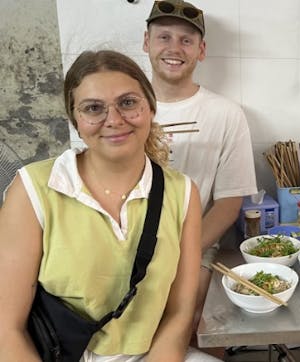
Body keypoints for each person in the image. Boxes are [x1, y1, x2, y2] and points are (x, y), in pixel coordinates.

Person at [0, 50, 219, 361]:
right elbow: (6, 329)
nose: (114, 120)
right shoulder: (34, 190)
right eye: (93, 108)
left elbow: (179, 314)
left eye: (128, 103)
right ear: (76, 120)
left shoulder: (181, 193)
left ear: (150, 107)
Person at [142, 0, 258, 332]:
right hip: (127, 243)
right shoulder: (125, 108)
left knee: (198, 319)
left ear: (201, 50)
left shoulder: (225, 114)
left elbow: (228, 203)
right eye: (163, 37)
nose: (174, 48)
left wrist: (180, 254)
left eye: (186, 40)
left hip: (196, 245)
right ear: (146, 42)